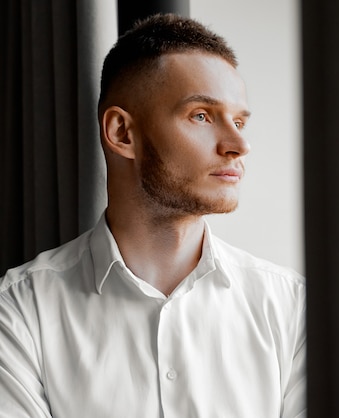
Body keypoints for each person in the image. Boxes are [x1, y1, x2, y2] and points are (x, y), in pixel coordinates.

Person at [0, 14, 306, 418]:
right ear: (122, 133)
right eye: (201, 115)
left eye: (238, 121)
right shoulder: (21, 309)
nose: (238, 144)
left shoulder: (290, 306)